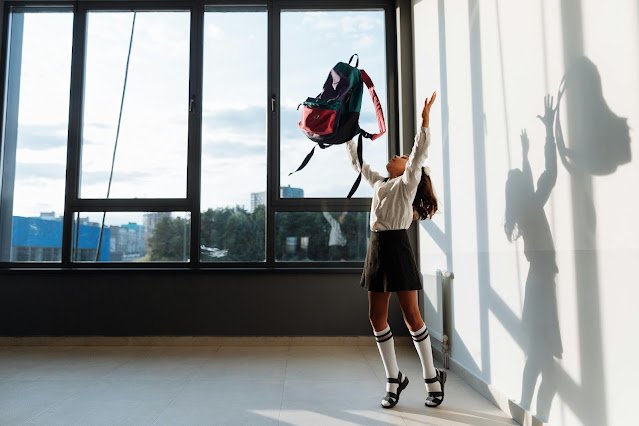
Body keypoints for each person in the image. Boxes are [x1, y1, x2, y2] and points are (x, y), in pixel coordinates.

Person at [346, 92, 444, 409]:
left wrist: (425, 119)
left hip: (398, 247)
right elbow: (360, 164)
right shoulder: (381, 184)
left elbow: (418, 153)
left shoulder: (407, 183)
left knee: (412, 316)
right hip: (377, 249)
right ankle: (394, 379)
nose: (395, 157)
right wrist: (347, 135)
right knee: (376, 317)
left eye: (400, 156)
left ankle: (432, 378)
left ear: (407, 168)